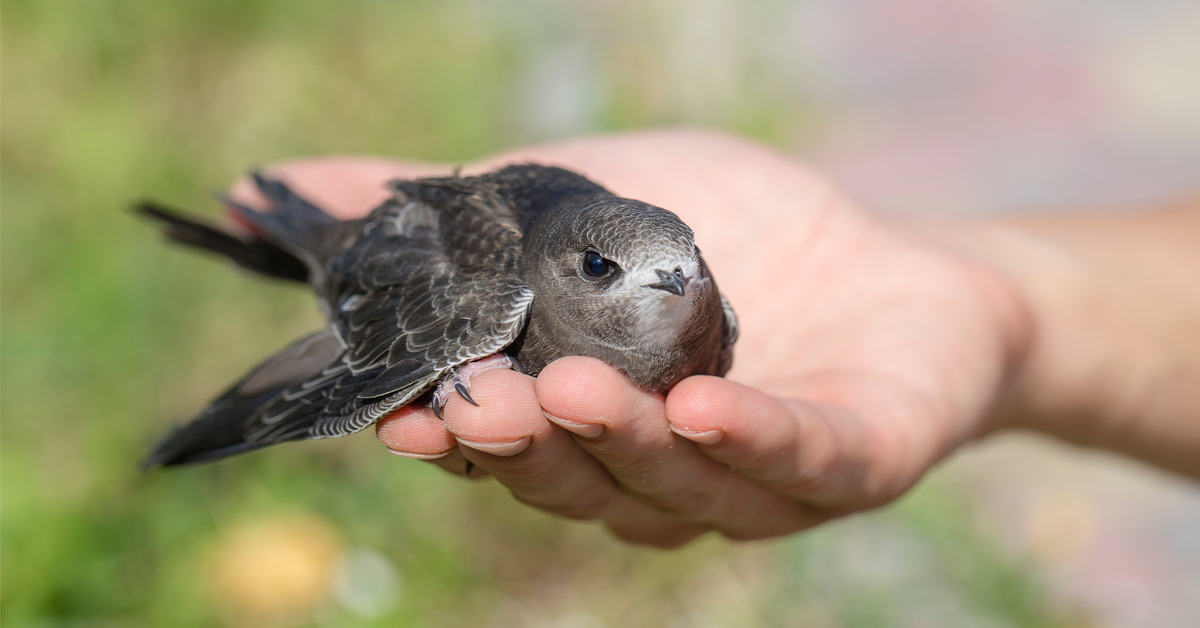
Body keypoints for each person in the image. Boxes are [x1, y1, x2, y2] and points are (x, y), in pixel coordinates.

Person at [230, 129, 1200, 548]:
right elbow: (388, 331)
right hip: (412, 247)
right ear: (572, 273)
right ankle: (292, 231)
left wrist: (1008, 313)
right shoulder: (491, 297)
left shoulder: (702, 308)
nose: (681, 287)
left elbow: (668, 277)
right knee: (399, 369)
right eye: (619, 272)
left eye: (687, 262)